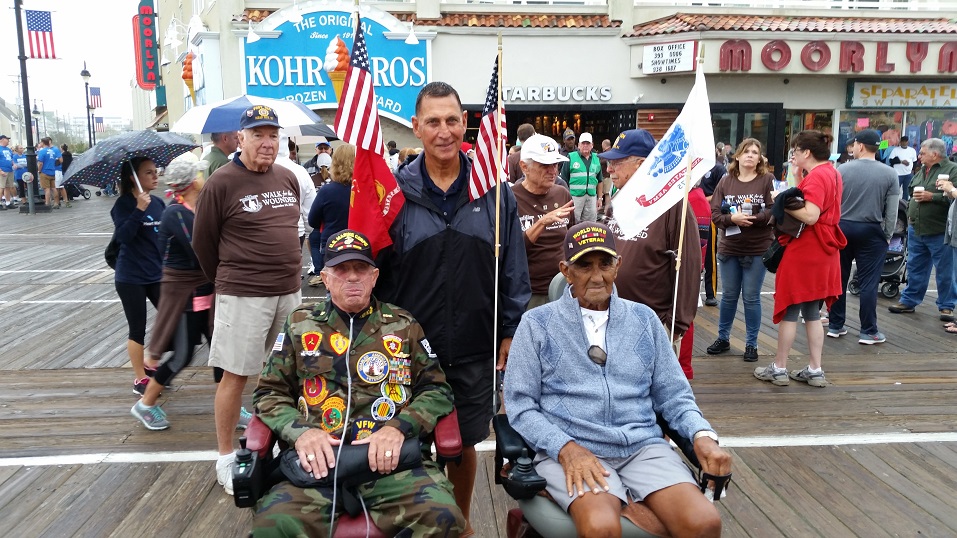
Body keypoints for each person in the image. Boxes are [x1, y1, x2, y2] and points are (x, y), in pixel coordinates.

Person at [505, 222, 729, 538]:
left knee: (705, 523)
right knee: (601, 528)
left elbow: (674, 394)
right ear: (566, 271)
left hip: (641, 446)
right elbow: (520, 406)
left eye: (605, 264)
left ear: (617, 265)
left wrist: (701, 433)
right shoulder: (537, 324)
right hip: (572, 445)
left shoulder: (644, 319)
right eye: (584, 265)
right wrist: (565, 448)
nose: (597, 276)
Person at [377, 81, 530, 536]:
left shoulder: (495, 192)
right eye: (433, 122)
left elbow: (514, 273)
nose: (443, 131)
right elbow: (374, 274)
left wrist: (508, 334)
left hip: (475, 346)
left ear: (465, 123)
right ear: (416, 128)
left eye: (451, 120)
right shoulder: (393, 194)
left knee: (464, 444)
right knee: (407, 443)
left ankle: (460, 523)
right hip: (406, 352)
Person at [251, 230, 465, 536]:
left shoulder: (402, 324)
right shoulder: (301, 324)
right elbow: (269, 392)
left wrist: (400, 427)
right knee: (272, 526)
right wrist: (301, 433)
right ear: (324, 278)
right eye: (341, 269)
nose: (352, 277)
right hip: (318, 465)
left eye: (361, 269)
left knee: (443, 517)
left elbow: (437, 389)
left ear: (374, 276)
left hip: (392, 464)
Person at [192, 105, 304, 495]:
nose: (267, 142)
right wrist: (230, 279)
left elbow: (296, 229)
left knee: (292, 373)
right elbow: (203, 244)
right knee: (235, 375)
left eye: (272, 134)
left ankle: (286, 444)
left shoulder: (288, 178)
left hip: (289, 292)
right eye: (258, 134)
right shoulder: (221, 183)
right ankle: (226, 457)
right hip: (243, 294)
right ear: (240, 138)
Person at [755, 130, 846, 388]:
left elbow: (811, 215)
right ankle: (815, 369)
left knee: (790, 309)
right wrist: (797, 177)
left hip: (806, 248)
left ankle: (779, 367)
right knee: (812, 312)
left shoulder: (818, 177)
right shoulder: (832, 172)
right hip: (825, 250)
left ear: (807, 152)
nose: (793, 155)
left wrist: (781, 202)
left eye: (795, 150)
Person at [131, 157, 214, 430]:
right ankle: (146, 404)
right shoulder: (176, 213)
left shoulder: (196, 206)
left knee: (221, 353)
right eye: (199, 174)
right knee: (182, 355)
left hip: (204, 289)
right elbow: (199, 248)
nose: (202, 177)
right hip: (184, 293)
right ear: (192, 182)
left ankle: (233, 408)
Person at [598, 129, 701, 344]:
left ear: (641, 163)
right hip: (611, 317)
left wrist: (676, 325)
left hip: (651, 325)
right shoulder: (619, 199)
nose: (609, 169)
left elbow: (688, 265)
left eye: (617, 162)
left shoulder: (673, 204)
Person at [706, 139, 775, 362]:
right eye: (746, 151)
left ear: (759, 158)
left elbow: (775, 211)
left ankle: (751, 344)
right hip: (730, 247)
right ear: (737, 156)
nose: (750, 155)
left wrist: (755, 219)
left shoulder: (767, 180)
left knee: (752, 297)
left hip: (757, 247)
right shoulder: (726, 181)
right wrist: (732, 218)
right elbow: (715, 214)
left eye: (755, 152)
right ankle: (723, 338)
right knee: (729, 296)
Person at [829, 130, 900, 344]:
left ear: (859, 146)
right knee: (869, 282)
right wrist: (887, 234)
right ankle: (868, 331)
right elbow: (893, 210)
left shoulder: (842, 169)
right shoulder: (889, 173)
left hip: (842, 227)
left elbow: (832, 202)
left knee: (838, 278)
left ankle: (835, 324)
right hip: (871, 230)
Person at [111, 156, 165, 395]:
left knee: (170, 321)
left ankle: (151, 362)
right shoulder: (122, 205)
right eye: (149, 173)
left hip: (156, 273)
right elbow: (123, 236)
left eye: (156, 171)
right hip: (130, 276)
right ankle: (140, 378)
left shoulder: (159, 203)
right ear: (134, 178)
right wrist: (138, 210)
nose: (155, 176)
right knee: (137, 328)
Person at [888, 138, 957, 322]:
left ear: (935, 154)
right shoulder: (921, 171)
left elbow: (954, 197)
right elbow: (912, 192)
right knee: (915, 267)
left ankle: (947, 306)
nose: (918, 156)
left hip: (940, 229)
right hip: (916, 227)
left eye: (922, 153)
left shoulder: (952, 170)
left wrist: (931, 197)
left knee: (945, 270)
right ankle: (909, 301)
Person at [513, 134, 574, 309]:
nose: (553, 171)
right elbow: (511, 251)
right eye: (545, 165)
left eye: (555, 164)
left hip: (564, 288)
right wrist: (542, 223)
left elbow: (570, 238)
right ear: (524, 166)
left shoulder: (562, 194)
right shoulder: (510, 199)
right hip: (529, 294)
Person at [307, 144, 354, 288]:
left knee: (334, 287)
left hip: (332, 243)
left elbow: (312, 221)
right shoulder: (364, 190)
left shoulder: (327, 190)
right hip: (358, 242)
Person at [699, 150, 729, 307]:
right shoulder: (692, 166)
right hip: (690, 212)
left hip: (708, 215)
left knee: (710, 254)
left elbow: (721, 193)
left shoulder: (718, 169)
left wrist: (701, 199)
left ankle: (710, 293)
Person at [560, 132, 601, 222]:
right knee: (573, 222)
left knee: (590, 224)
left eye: (588, 143)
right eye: (583, 143)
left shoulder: (596, 158)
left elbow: (600, 180)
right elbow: (564, 180)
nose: (585, 146)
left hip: (591, 197)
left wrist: (600, 198)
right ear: (578, 145)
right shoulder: (571, 157)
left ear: (592, 145)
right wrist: (566, 199)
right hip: (574, 197)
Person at [0, 135, 15, 209]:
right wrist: (0, 171)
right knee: (1, 187)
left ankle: (8, 202)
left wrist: (14, 164)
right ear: (2, 140)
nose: (8, 141)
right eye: (7, 139)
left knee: (7, 187)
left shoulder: (8, 149)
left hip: (9, 170)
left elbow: (11, 158)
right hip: (3, 170)